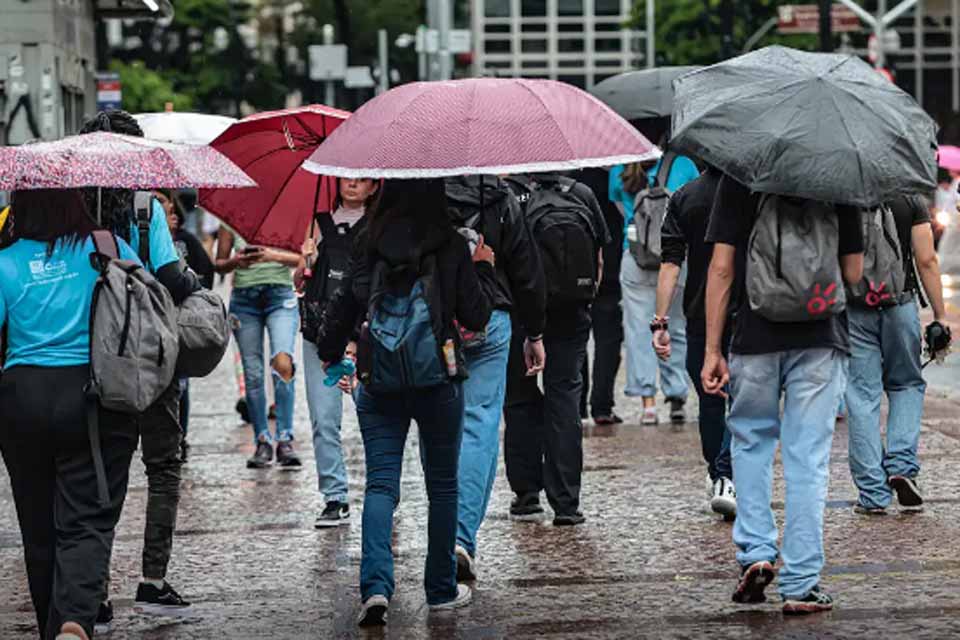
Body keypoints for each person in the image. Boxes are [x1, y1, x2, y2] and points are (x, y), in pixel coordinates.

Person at [313, 178, 497, 626]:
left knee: (380, 485)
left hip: (379, 379)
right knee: (443, 486)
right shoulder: (449, 243)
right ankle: (440, 590)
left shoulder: (368, 239)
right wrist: (484, 268)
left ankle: (376, 588)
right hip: (438, 379)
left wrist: (330, 352)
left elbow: (345, 304)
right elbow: (476, 315)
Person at [702, 175, 863, 615]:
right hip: (821, 336)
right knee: (808, 457)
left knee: (750, 443)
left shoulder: (741, 176)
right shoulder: (838, 176)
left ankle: (755, 552)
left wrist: (713, 349)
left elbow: (721, 267)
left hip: (754, 336)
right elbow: (853, 273)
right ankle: (801, 583)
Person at [0, 189, 141, 640]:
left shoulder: (4, 262)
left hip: (21, 400)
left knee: (37, 527)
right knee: (89, 517)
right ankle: (75, 621)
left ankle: (53, 627)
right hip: (92, 396)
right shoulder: (108, 247)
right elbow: (145, 309)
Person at [79, 110, 200, 620]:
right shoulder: (146, 206)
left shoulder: (71, 208)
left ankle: (94, 594)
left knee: (99, 473)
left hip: (93, 356)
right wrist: (193, 281)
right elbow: (173, 278)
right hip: (151, 358)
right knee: (163, 466)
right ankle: (153, 580)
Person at [444, 175, 547, 581]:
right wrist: (534, 332)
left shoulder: (419, 187)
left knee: (439, 427)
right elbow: (526, 269)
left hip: (436, 317)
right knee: (480, 425)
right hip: (490, 316)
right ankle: (460, 536)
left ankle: (444, 532)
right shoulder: (500, 196)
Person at [503, 173, 611, 526]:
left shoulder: (507, 194)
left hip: (520, 311)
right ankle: (566, 502)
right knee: (564, 398)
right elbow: (598, 257)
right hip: (571, 311)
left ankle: (526, 495)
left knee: (520, 398)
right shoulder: (581, 193)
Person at [845, 195, 948, 514]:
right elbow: (926, 260)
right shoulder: (910, 198)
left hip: (854, 307)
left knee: (861, 397)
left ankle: (873, 493)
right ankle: (902, 466)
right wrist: (940, 316)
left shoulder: (844, 195)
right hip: (899, 305)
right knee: (906, 385)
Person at [654, 166, 736, 518]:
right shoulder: (750, 191)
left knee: (710, 400)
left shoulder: (685, 196)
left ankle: (719, 472)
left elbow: (670, 264)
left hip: (701, 311)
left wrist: (660, 321)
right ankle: (725, 474)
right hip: (747, 309)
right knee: (744, 398)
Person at [299, 177, 379, 528]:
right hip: (319, 334)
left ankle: (383, 490)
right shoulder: (318, 223)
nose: (353, 184)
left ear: (374, 187)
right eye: (347, 177)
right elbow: (301, 282)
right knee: (324, 418)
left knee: (375, 418)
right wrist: (306, 262)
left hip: (366, 335)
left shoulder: (378, 226)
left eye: (362, 179)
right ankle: (335, 496)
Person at [611, 151, 699, 425]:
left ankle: (648, 404)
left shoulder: (619, 167)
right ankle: (677, 395)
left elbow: (621, 209)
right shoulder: (684, 164)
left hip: (635, 255)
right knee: (676, 327)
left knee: (639, 330)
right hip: (675, 257)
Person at [215, 227, 304, 469]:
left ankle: (285, 439)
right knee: (253, 373)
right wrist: (236, 261)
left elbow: (304, 258)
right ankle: (262, 441)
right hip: (244, 301)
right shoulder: (230, 218)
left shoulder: (285, 215)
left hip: (281, 296)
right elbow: (219, 264)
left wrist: (272, 256)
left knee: (283, 363)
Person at [158, 189, 215, 463]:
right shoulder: (135, 236)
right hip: (150, 319)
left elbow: (206, 270)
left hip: (178, 318)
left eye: (161, 201)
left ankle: (178, 438)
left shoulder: (184, 240)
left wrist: (196, 296)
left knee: (180, 381)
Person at [577, 167, 625, 425]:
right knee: (608, 339)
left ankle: (577, 403)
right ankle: (602, 405)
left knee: (576, 338)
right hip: (610, 267)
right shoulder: (614, 179)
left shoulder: (571, 183)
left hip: (574, 271)